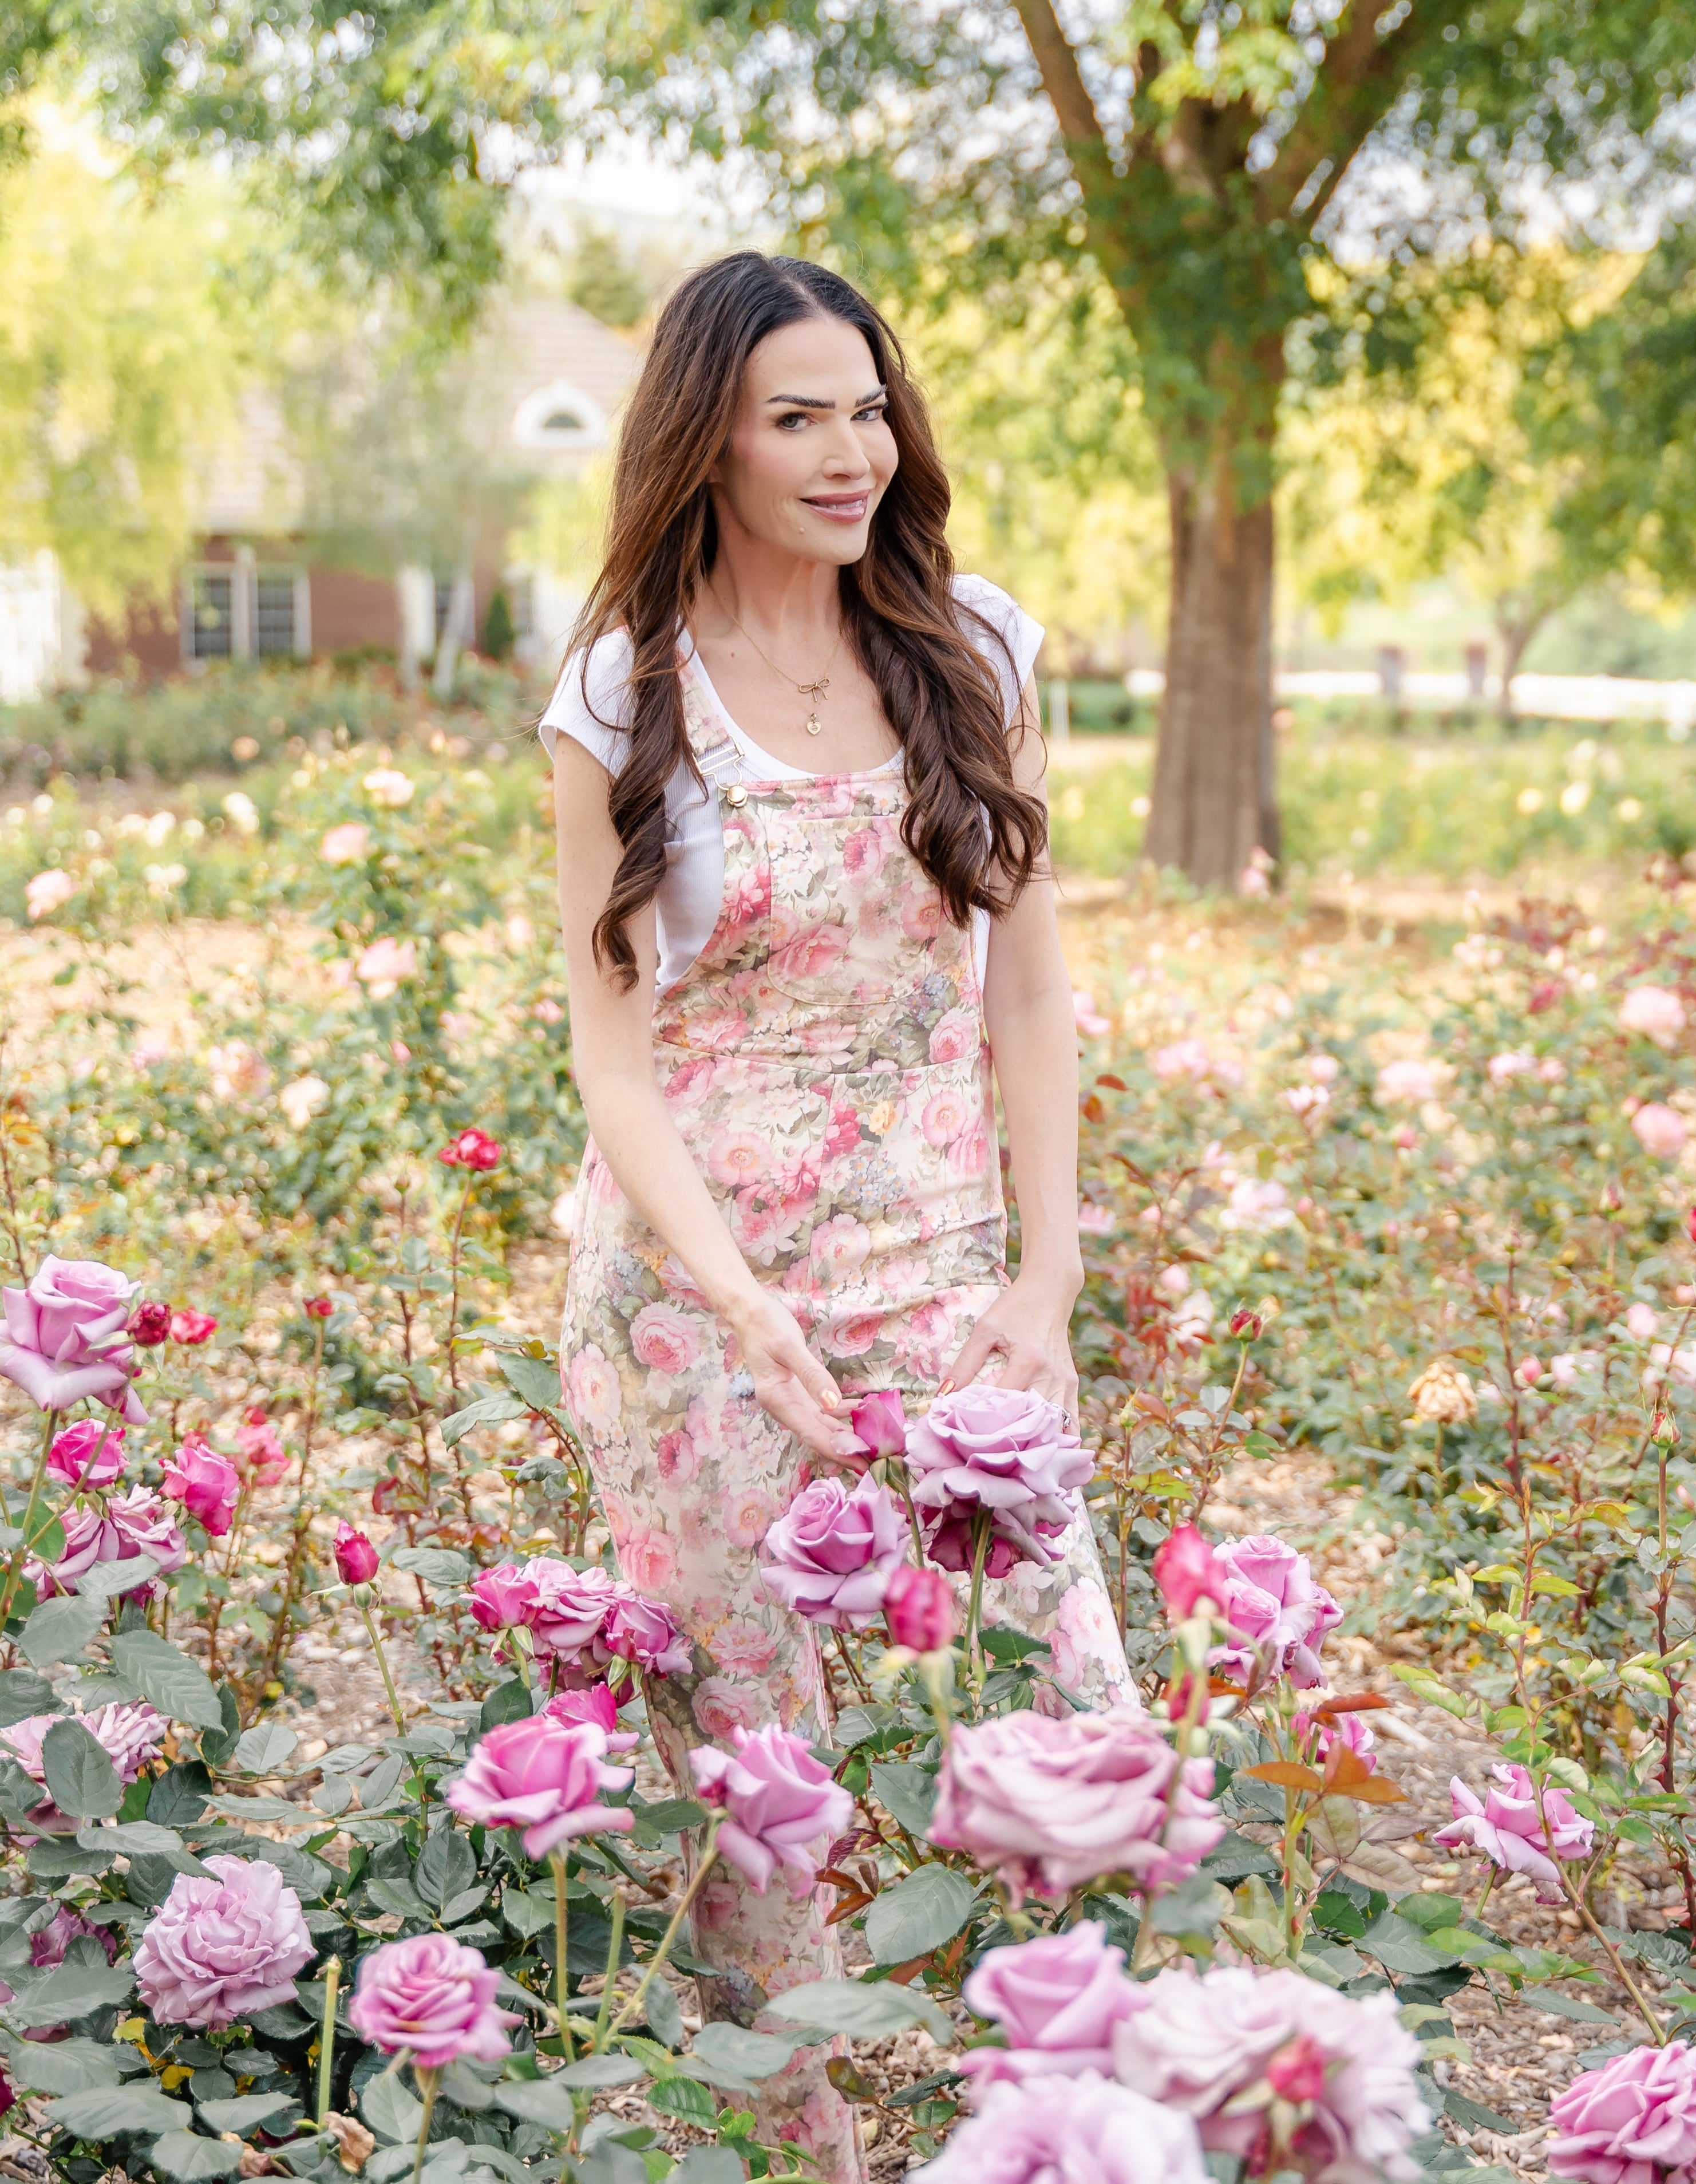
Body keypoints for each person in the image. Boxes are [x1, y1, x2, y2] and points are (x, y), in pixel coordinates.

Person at [541, 252, 1129, 2178]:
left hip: (950, 1283)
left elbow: (1029, 997)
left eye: (866, 407)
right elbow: (614, 1063)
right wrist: (731, 1298)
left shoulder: (977, 646)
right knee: (760, 1795)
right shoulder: (625, 687)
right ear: (704, 434)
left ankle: (1071, 2128)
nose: (848, 448)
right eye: (797, 414)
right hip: (697, 1309)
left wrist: (1043, 1287)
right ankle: (808, 2159)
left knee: (1073, 1735)